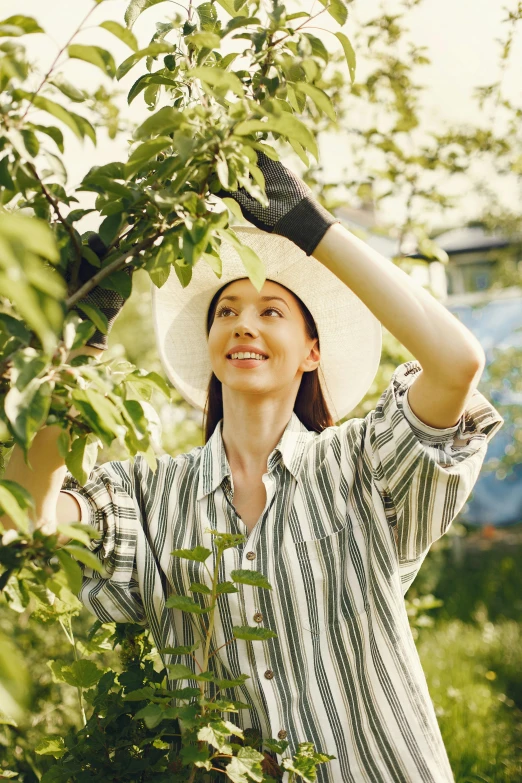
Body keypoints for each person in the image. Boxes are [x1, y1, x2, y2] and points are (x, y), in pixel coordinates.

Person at [4, 152, 504, 782]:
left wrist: (309, 227)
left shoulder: (360, 465)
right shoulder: (151, 495)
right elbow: (27, 515)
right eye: (227, 311)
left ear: (311, 351)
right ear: (212, 347)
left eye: (271, 311)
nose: (244, 323)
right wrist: (68, 351)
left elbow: (457, 363)